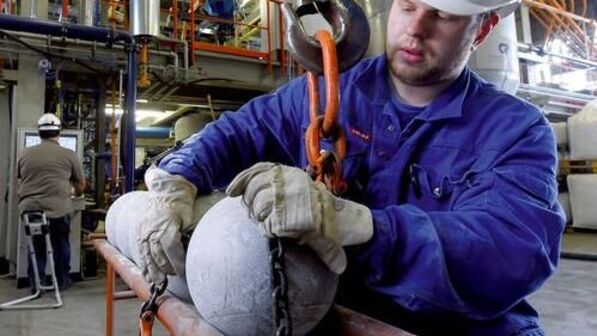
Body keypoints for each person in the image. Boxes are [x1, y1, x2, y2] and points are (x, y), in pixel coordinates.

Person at [138, 0, 565, 334]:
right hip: (339, 316)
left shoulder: (515, 129)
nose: (416, 29)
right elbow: (236, 132)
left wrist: (363, 227)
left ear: (483, 30)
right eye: (408, 6)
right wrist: (177, 179)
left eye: (443, 16)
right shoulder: (330, 91)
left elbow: (510, 250)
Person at [17, 113, 86, 290]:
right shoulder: (68, 154)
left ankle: (36, 283)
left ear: (39, 133)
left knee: (36, 245)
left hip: (30, 209)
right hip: (58, 209)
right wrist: (76, 193)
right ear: (59, 132)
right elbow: (80, 183)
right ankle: (62, 281)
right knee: (60, 243)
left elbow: (20, 178)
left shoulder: (25, 153)